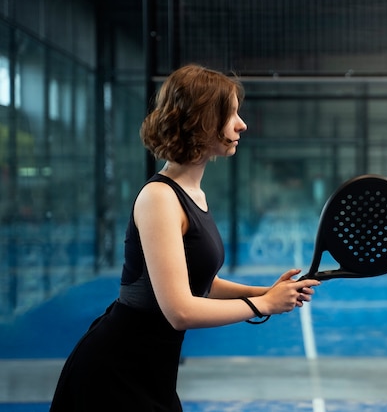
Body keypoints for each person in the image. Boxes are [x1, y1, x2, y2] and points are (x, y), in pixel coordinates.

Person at [50, 64, 320, 411]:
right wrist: (264, 305)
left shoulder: (193, 194)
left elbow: (201, 282)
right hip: (114, 371)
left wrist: (265, 291)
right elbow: (179, 309)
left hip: (153, 368)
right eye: (231, 115)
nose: (242, 125)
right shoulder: (160, 198)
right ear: (204, 121)